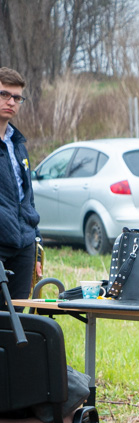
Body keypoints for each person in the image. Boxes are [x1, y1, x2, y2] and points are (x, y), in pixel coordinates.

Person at [0, 67, 40, 300]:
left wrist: (36, 246)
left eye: (17, 97)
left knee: (17, 320)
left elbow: (28, 200)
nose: (11, 101)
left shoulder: (18, 144)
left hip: (24, 246)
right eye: (4, 94)